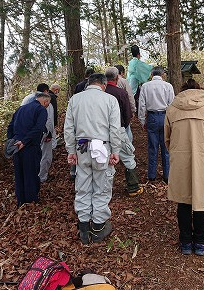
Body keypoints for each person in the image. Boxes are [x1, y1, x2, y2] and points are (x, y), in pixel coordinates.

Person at [164, 79, 204, 256]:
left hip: (180, 157)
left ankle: (186, 243)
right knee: (201, 199)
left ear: (182, 91)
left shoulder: (172, 109)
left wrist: (176, 151)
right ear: (199, 90)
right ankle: (199, 242)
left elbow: (167, 138)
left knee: (183, 200)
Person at [64, 73, 121, 244]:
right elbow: (114, 128)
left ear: (88, 83)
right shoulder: (110, 100)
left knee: (82, 186)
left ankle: (83, 226)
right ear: (103, 85)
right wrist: (115, 151)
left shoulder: (75, 99)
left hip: (82, 147)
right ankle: (97, 227)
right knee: (102, 187)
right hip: (102, 147)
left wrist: (70, 150)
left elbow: (69, 127)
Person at [7, 92, 51, 207]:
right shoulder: (41, 110)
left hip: (17, 146)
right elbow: (38, 128)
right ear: (45, 101)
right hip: (30, 146)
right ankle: (31, 200)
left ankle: (20, 200)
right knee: (31, 173)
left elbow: (10, 127)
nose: (47, 106)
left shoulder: (20, 109)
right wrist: (25, 141)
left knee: (19, 173)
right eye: (48, 104)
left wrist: (12, 141)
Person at [105, 67, 143, 196]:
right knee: (127, 155)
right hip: (119, 128)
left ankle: (104, 190)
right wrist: (125, 126)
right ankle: (133, 186)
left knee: (104, 157)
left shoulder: (102, 92)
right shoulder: (120, 92)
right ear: (117, 78)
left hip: (101, 131)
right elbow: (127, 112)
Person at [138, 66, 174, 183]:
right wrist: (171, 121)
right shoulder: (168, 86)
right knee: (166, 147)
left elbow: (142, 105)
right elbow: (172, 104)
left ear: (151, 75)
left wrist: (142, 120)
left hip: (152, 117)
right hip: (165, 116)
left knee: (152, 147)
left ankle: (152, 175)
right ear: (163, 74)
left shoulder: (145, 86)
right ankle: (167, 175)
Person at [21, 84, 55, 183]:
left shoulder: (27, 99)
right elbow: (48, 120)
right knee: (45, 156)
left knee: (30, 155)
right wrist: (49, 134)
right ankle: (41, 177)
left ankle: (29, 175)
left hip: (27, 134)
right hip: (42, 133)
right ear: (46, 91)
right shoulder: (46, 101)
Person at [127, 45, 152, 110]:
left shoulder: (130, 62)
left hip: (129, 83)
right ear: (138, 54)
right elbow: (148, 69)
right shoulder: (138, 63)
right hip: (135, 84)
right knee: (138, 101)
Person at [49, 83, 61, 149]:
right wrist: (55, 123)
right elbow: (53, 111)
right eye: (58, 91)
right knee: (52, 138)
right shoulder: (52, 97)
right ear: (56, 90)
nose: (58, 93)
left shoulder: (45, 95)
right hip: (50, 121)